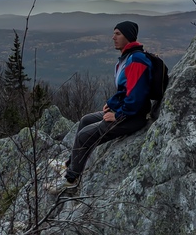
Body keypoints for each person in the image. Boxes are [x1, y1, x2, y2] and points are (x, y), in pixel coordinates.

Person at [44, 21, 152, 194]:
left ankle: (71, 179)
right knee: (86, 120)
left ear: (128, 36)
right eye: (114, 33)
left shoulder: (136, 60)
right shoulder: (128, 58)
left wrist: (118, 115)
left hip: (133, 117)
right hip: (127, 112)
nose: (113, 37)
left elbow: (137, 97)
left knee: (84, 136)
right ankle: (69, 164)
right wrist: (112, 104)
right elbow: (126, 90)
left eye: (118, 34)